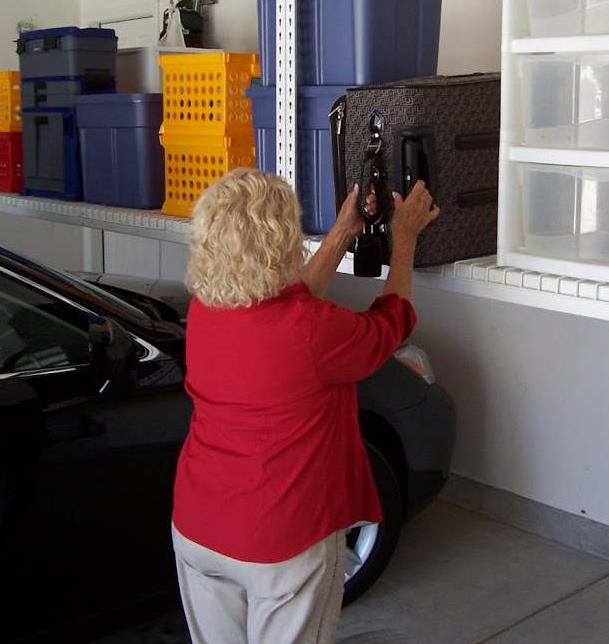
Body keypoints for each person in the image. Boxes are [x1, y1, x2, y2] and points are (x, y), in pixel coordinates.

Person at [171, 167, 439, 644]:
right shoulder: (313, 330)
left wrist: (343, 231)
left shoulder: (206, 310)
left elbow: (286, 301)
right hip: (283, 538)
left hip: (198, 528)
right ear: (283, 239)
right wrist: (404, 237)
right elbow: (390, 323)